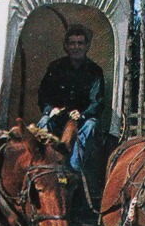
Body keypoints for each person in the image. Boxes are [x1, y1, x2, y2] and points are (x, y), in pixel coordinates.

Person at [37, 23, 104, 178]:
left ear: (87, 46)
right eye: (72, 43)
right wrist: (50, 109)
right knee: (44, 122)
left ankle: (73, 171)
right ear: (66, 46)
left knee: (91, 125)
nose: (76, 47)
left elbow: (98, 102)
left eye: (80, 43)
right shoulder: (56, 67)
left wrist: (83, 114)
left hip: (80, 121)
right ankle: (46, 167)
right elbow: (43, 95)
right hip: (58, 119)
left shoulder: (94, 71)